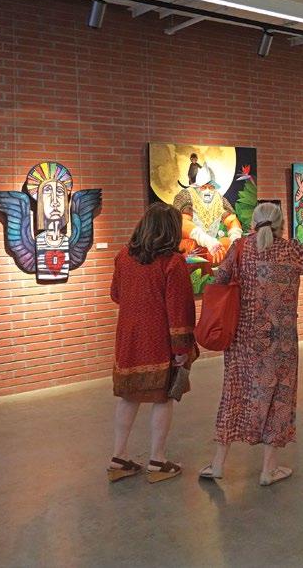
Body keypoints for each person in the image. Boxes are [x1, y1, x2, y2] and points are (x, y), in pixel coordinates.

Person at [199, 202, 303, 486]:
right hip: (281, 344)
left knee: (234, 394)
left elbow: (219, 281)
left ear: (253, 223)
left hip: (242, 340)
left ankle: (217, 464)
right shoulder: (290, 250)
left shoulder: (240, 248)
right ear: (281, 224)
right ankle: (269, 470)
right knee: (279, 398)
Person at [108, 202, 198, 483]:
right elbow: (179, 310)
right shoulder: (172, 263)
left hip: (129, 339)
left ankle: (118, 458)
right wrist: (182, 349)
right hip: (159, 341)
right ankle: (157, 461)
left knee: (129, 396)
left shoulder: (123, 256)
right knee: (162, 397)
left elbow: (115, 294)